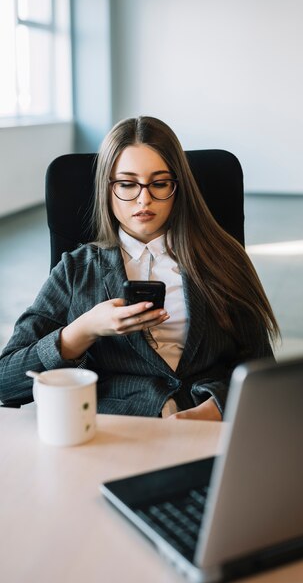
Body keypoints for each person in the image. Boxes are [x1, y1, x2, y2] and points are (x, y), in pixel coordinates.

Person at [0, 116, 279, 420]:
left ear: (178, 187)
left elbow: (262, 369)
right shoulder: (76, 270)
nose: (144, 199)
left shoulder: (224, 257)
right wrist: (83, 330)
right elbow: (5, 381)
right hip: (119, 430)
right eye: (127, 184)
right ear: (107, 188)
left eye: (159, 184)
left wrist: (218, 406)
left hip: (206, 429)